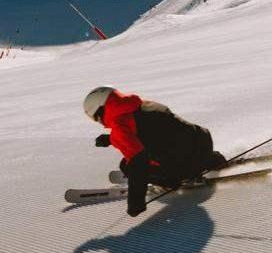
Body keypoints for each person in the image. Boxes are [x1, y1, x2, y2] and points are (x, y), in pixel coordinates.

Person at [84, 86, 230, 216]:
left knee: (126, 166)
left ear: (101, 110)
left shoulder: (120, 127)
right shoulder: (141, 104)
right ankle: (212, 160)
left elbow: (139, 163)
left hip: (187, 166)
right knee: (167, 145)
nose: (100, 123)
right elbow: (153, 131)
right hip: (203, 143)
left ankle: (173, 180)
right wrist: (111, 139)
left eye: (96, 118)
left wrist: (136, 201)